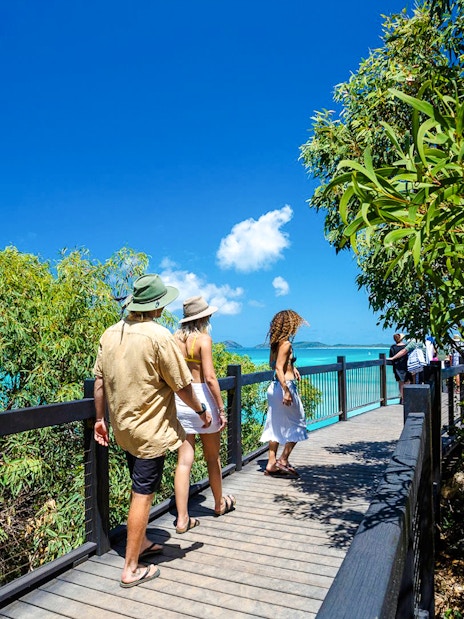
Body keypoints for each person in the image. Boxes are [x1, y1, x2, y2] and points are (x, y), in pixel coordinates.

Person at [93, 274, 212, 588]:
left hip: (123, 430)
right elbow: (183, 385)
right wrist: (201, 410)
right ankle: (130, 568)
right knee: (142, 495)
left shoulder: (110, 333)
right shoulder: (159, 336)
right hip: (150, 432)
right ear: (157, 305)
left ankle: (142, 543)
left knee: (138, 483)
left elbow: (100, 382)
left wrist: (99, 419)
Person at [173, 296, 235, 531]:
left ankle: (182, 518)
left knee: (183, 462)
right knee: (213, 457)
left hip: (182, 399)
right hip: (203, 401)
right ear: (203, 318)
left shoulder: (174, 340)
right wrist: (220, 409)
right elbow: (209, 378)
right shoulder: (204, 340)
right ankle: (219, 504)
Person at [260, 309, 309, 477]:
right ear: (290, 325)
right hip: (283, 387)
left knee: (275, 425)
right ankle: (283, 459)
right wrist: (287, 390)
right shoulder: (286, 344)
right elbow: (278, 368)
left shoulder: (275, 344)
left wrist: (292, 367)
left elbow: (274, 363)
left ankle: (271, 463)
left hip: (273, 388)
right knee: (299, 423)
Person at [388, 333, 411, 403]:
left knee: (400, 383)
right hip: (406, 365)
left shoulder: (393, 347)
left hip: (397, 366)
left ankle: (402, 398)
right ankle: (407, 397)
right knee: (407, 381)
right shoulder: (406, 347)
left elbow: (391, 356)